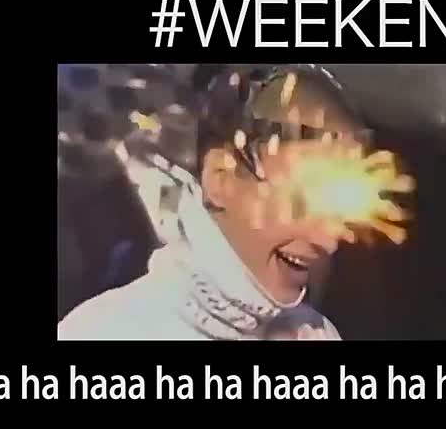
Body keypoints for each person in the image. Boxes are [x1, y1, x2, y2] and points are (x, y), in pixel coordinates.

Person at [58, 64, 371, 340]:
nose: (328, 242)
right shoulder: (103, 332)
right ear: (221, 179)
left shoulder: (317, 334)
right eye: (301, 201)